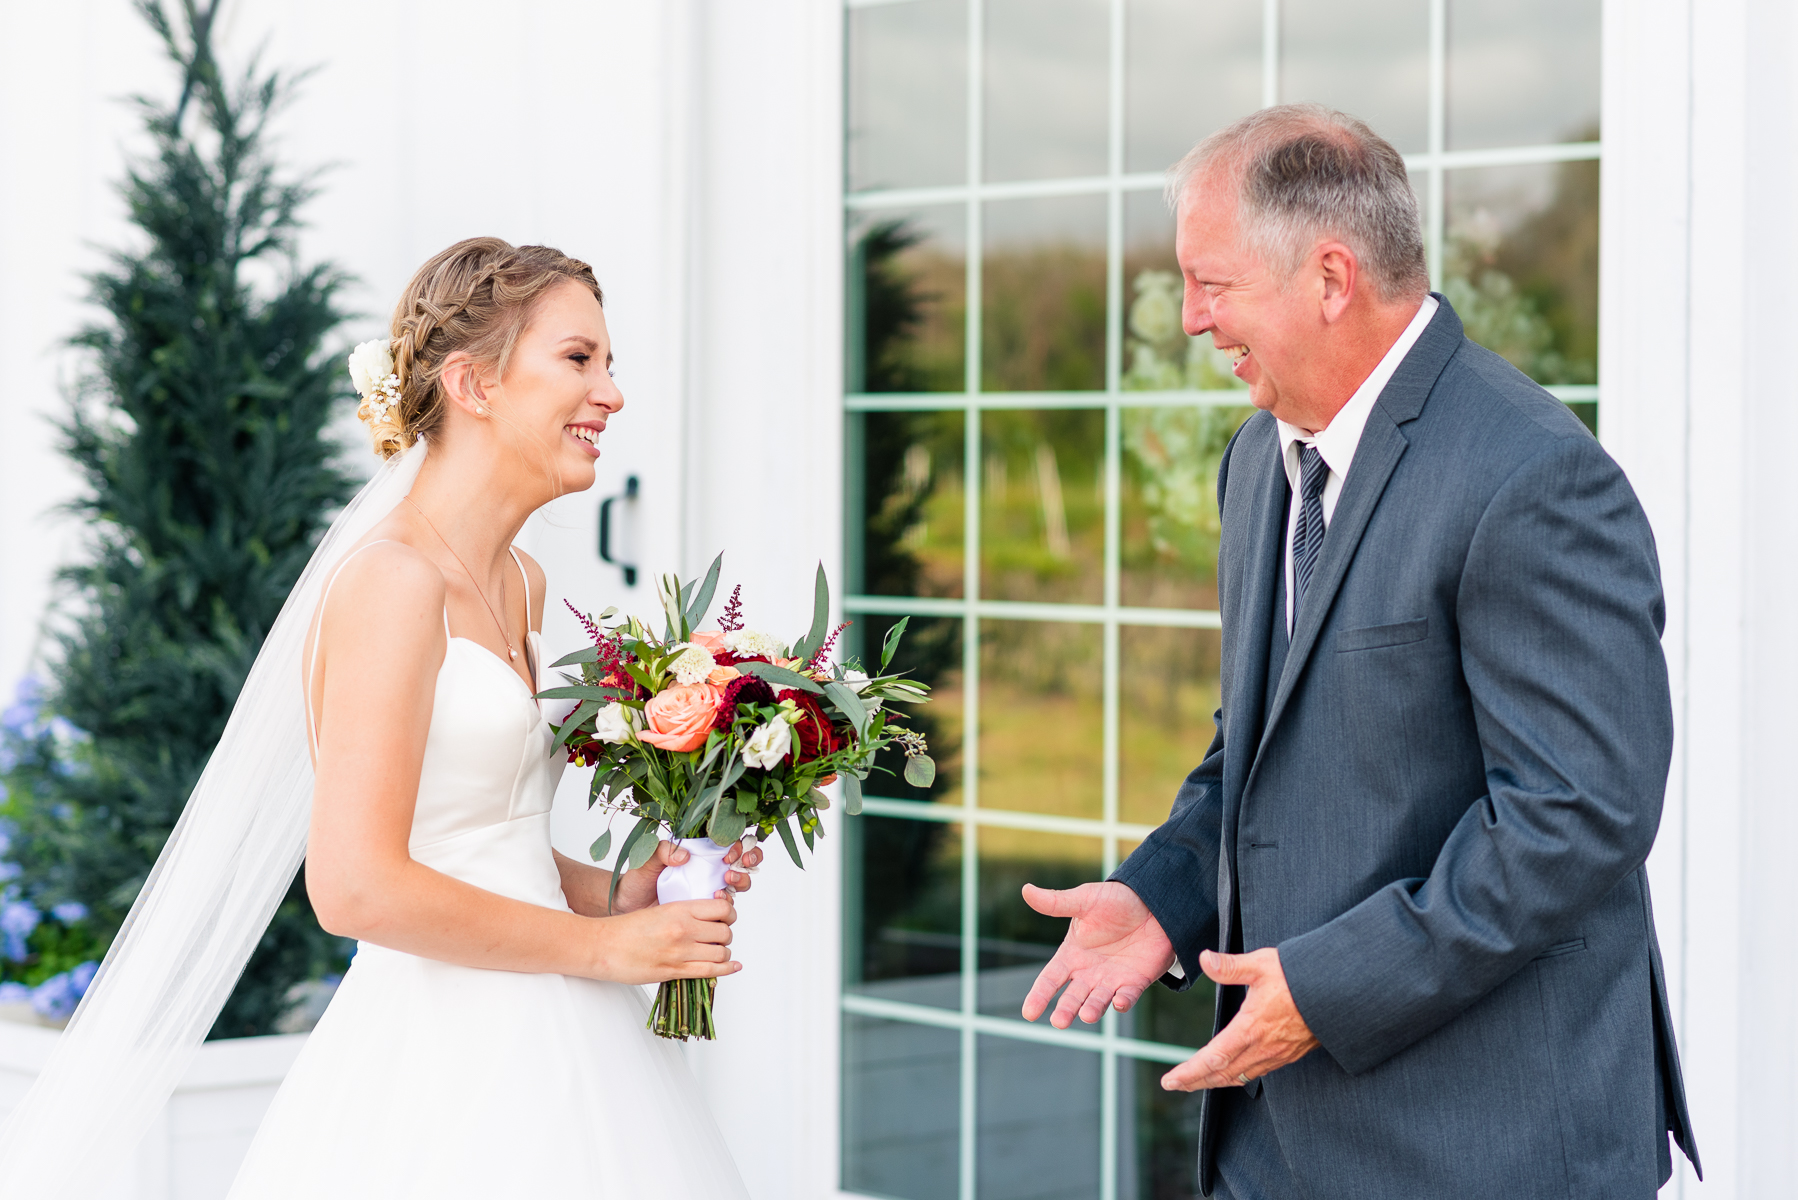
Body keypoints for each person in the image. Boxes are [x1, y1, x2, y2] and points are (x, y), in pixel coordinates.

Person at [1019, 106, 1700, 1199]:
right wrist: (1162, 896)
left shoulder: (1530, 475)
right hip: (1278, 1151)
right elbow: (1260, 748)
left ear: (1329, 278)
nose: (1192, 319)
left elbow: (1578, 817)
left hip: (1489, 1148)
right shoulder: (1257, 462)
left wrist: (1325, 991)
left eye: (1213, 283)